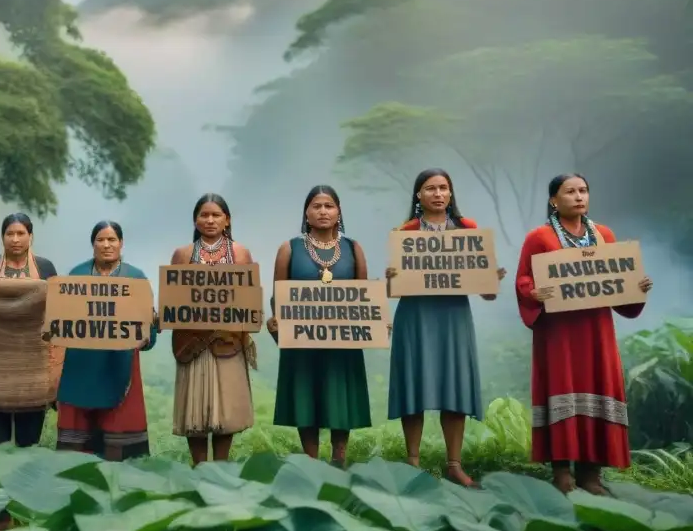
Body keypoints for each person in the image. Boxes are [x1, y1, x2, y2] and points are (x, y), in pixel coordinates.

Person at [515, 173, 652, 495]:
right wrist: (534, 292)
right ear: (553, 200)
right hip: (559, 332)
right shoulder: (540, 237)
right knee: (561, 388)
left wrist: (636, 286)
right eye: (570, 192)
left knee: (597, 387)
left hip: (596, 328)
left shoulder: (604, 234)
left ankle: (591, 474)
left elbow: (617, 278)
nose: (579, 197)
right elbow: (523, 279)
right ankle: (562, 473)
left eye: (583, 191)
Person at [385, 169, 506, 488]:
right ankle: (412, 463)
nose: (438, 194)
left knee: (455, 384)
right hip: (416, 315)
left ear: (451, 194)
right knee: (415, 384)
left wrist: (492, 278)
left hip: (453, 315)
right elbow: (393, 290)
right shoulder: (405, 232)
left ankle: (454, 465)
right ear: (418, 196)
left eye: (443, 188)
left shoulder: (468, 230)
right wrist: (391, 276)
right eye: (430, 188)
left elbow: (487, 293)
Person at [266, 185, 371, 467]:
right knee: (305, 394)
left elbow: (364, 296)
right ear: (307, 213)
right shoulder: (290, 248)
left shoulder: (353, 249)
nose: (323, 211)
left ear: (338, 212)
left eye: (329, 206)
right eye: (316, 206)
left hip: (342, 341)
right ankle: (311, 462)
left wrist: (375, 322)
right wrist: (277, 323)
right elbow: (279, 294)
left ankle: (339, 460)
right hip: (302, 341)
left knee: (340, 394)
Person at [55, 221, 157, 459]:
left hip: (120, 366)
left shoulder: (136, 278)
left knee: (118, 435)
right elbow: (62, 318)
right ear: (93, 244)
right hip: (81, 366)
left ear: (121, 244)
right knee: (78, 442)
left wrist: (144, 336)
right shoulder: (76, 275)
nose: (106, 245)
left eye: (112, 240)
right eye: (101, 240)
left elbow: (147, 331)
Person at [170, 193, 256, 464]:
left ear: (227, 220)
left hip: (227, 340)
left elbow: (248, 295)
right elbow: (173, 296)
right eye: (204, 215)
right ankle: (199, 466)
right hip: (192, 341)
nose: (209, 220)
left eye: (216, 215)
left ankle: (221, 465)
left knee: (226, 406)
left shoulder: (240, 253)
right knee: (195, 409)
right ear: (195, 221)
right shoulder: (183, 254)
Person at [0, 213, 60, 449]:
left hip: (33, 368)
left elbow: (56, 310)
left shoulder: (46, 268)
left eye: (21, 233)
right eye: (10, 234)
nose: (15, 239)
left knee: (29, 445)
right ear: (2, 237)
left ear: (31, 236)